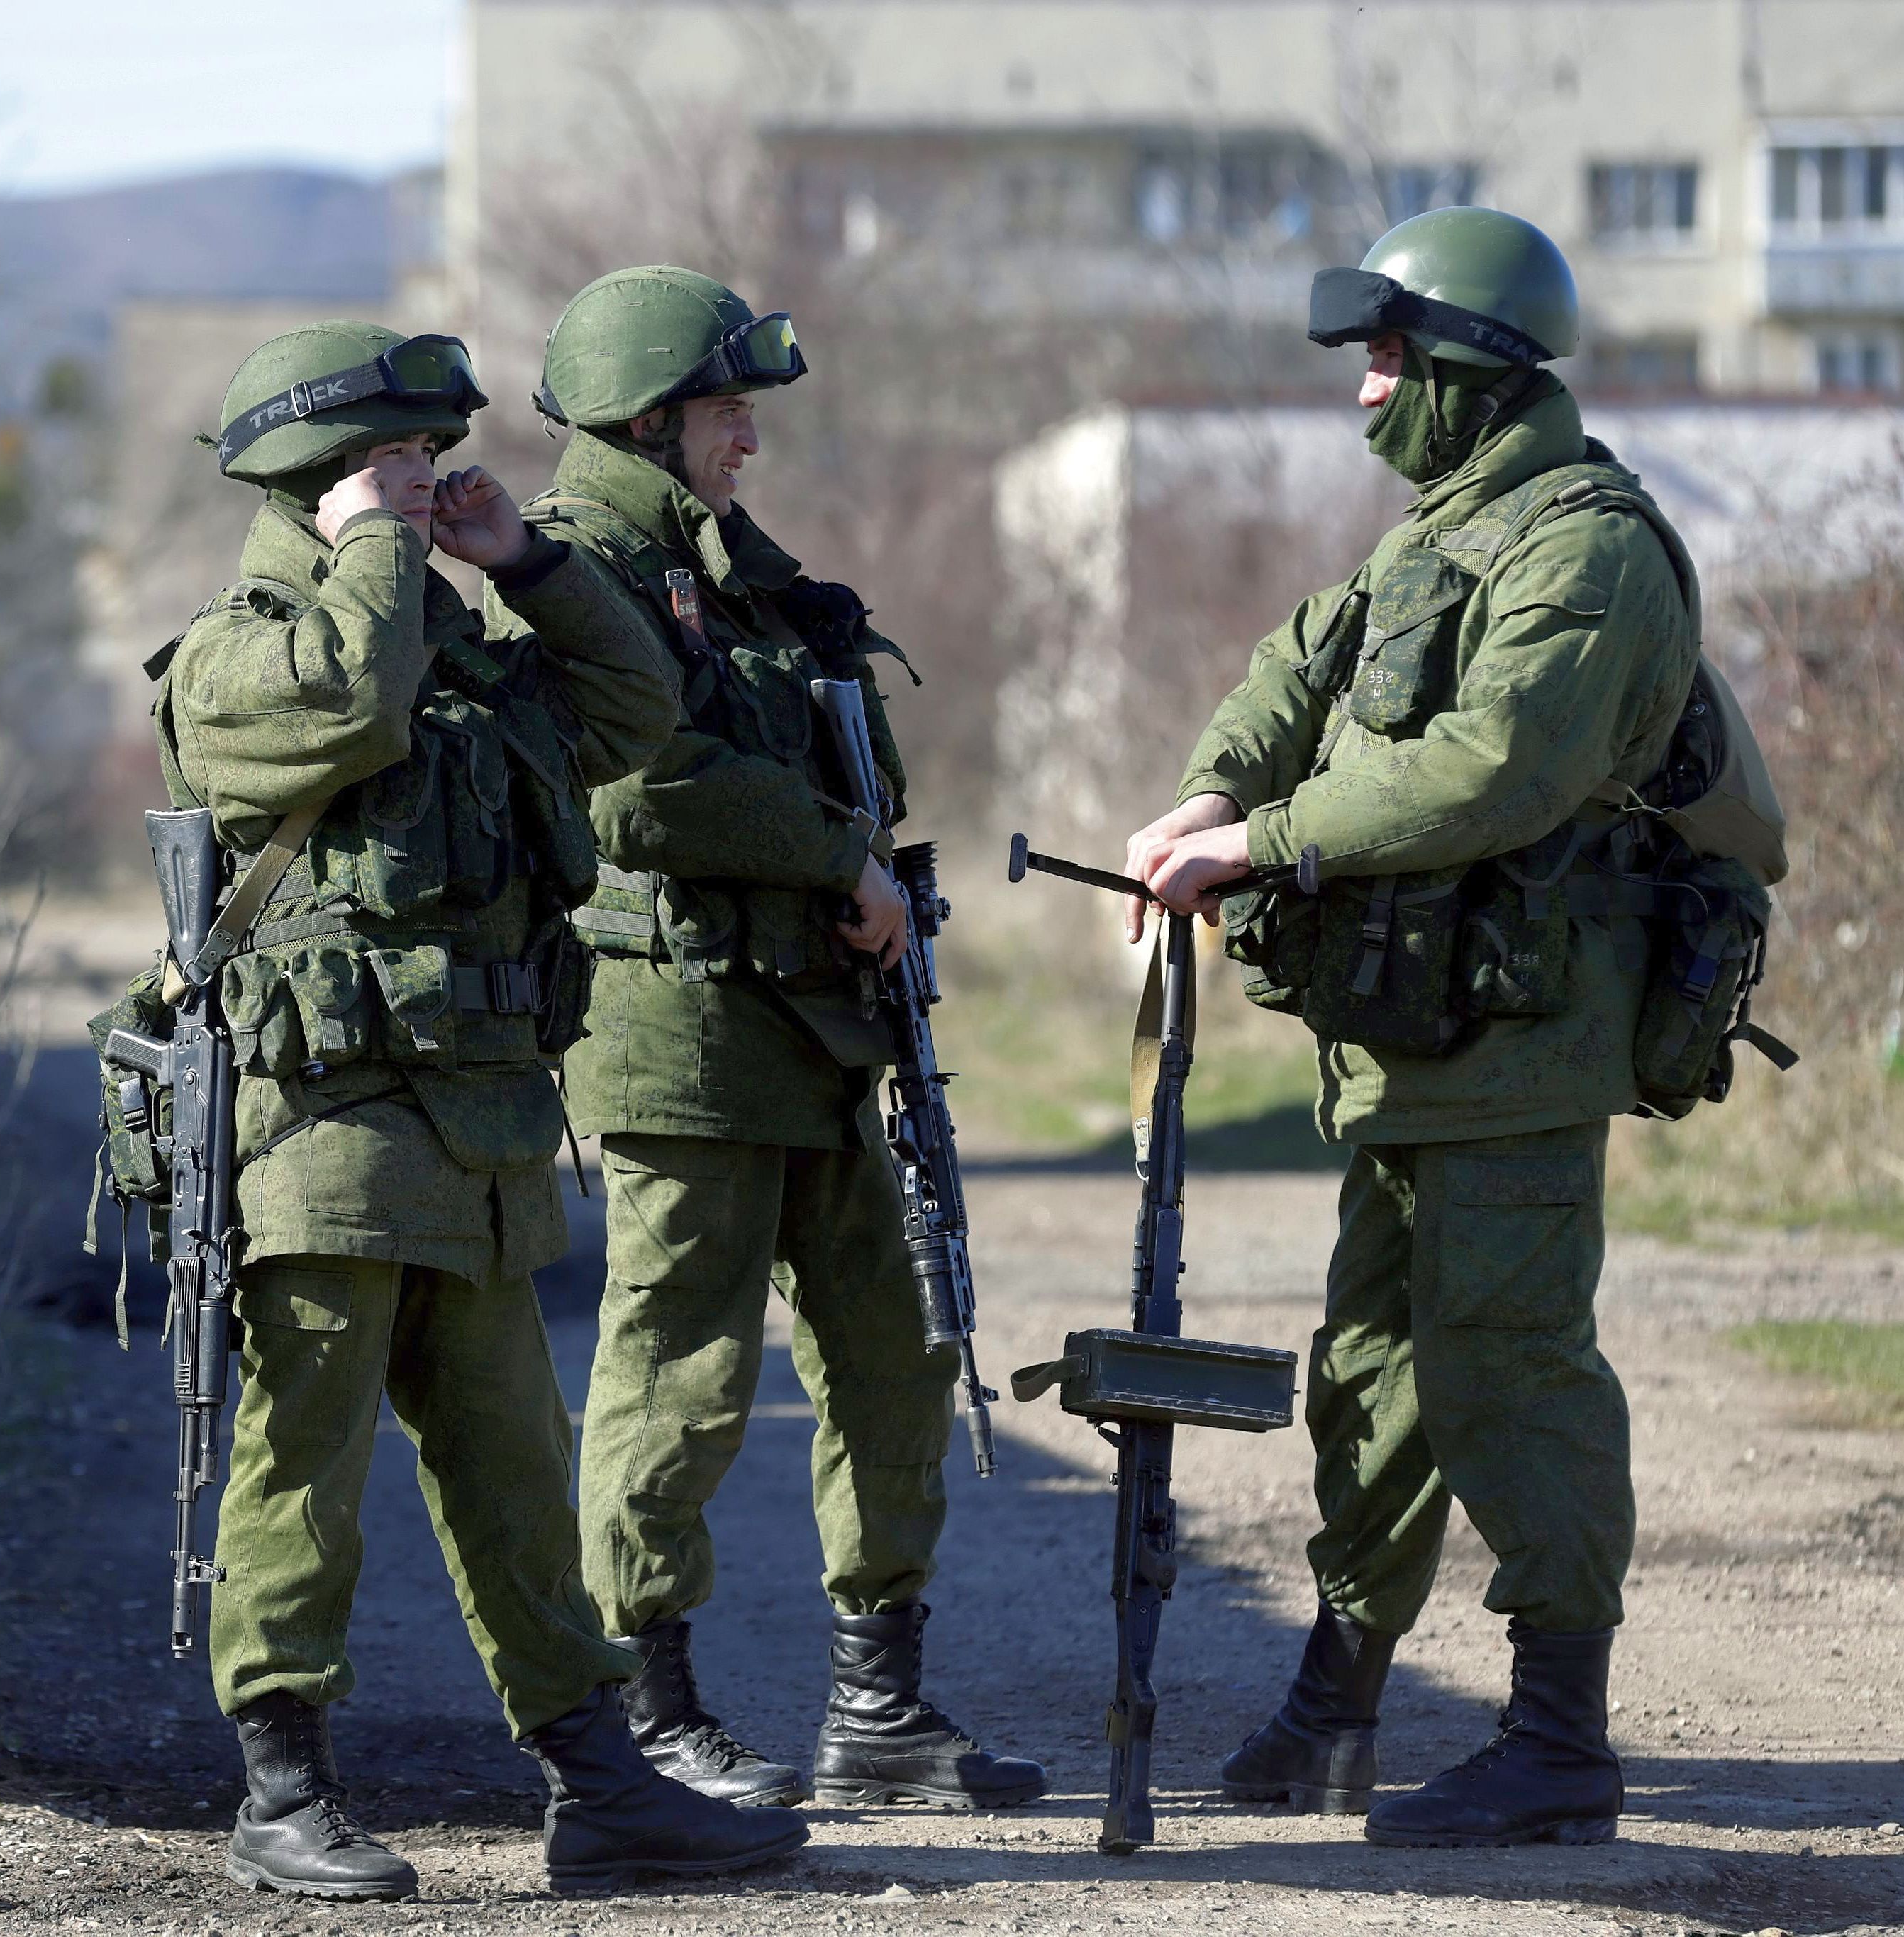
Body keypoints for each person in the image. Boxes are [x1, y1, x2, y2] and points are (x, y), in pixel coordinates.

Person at [153, 321, 808, 1897]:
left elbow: (632, 714)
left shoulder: (444, 645)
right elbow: (349, 714)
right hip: (323, 1128)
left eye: (429, 466)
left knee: (517, 1465)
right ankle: (280, 1786)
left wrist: (525, 566)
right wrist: (375, 550)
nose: (424, 485)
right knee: (301, 1459)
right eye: (395, 464)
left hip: (482, 1128)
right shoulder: (239, 652)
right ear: (324, 478)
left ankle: (599, 1783)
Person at [1123, 209, 1700, 1848]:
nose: (1365, 392)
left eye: (1388, 359)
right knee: (1372, 1370)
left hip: (1522, 1034)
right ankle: (1340, 1694)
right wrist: (1215, 783)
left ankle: (1558, 1739)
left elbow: (1492, 767)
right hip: (1412, 1040)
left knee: (1505, 1366)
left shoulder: (1579, 546)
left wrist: (1265, 843)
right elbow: (1300, 669)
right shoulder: (1440, 535)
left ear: (1469, 368)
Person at [487, 267, 1046, 1812]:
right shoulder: (576, 562)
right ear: (651, 417)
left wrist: (857, 860)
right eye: (730, 408)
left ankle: (878, 1708)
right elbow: (634, 791)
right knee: (680, 1370)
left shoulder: (725, 568)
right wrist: (833, 854)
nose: (751, 436)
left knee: (888, 1343)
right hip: (677, 1033)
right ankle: (647, 1715)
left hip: (810, 1027)